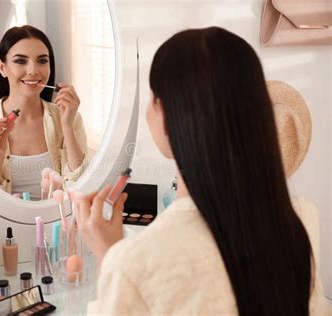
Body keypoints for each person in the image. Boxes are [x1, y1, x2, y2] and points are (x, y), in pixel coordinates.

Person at [76, 27, 330, 315]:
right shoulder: (300, 219)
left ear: (169, 121)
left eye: (152, 96)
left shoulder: (136, 264)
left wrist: (108, 255)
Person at [0, 25, 87, 199]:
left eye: (42, 61)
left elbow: (82, 187)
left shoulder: (69, 118)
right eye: (21, 61)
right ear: (2, 67)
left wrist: (67, 127)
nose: (33, 71)